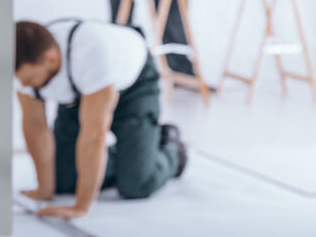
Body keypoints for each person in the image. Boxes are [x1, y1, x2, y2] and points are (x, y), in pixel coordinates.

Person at [14, 19, 187, 218]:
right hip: (79, 94)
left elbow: (94, 136)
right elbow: (36, 128)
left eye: (28, 80)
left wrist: (81, 206)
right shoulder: (23, 65)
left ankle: (171, 149)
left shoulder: (92, 55)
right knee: (62, 178)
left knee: (136, 183)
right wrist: (44, 191)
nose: (23, 84)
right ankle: (130, 156)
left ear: (51, 59)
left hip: (134, 88)